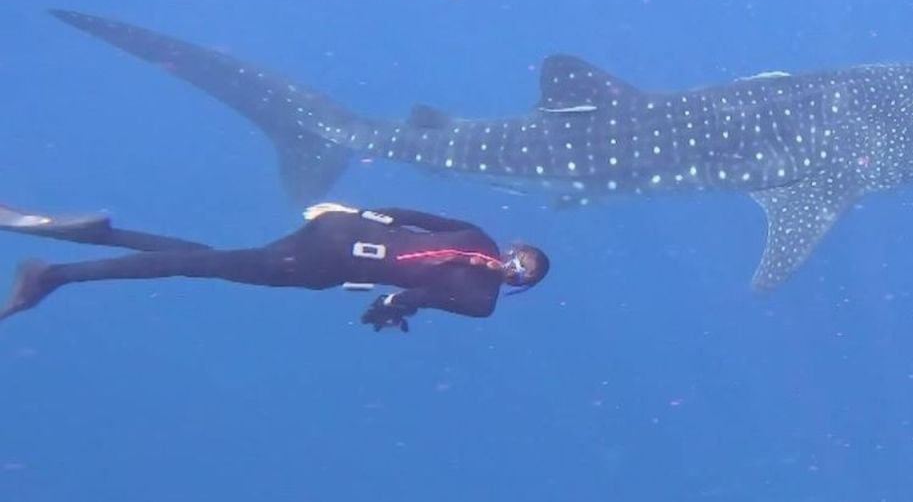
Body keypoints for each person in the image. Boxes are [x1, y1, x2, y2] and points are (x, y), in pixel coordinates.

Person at [0, 202, 549, 332]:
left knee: (214, 258)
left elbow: (410, 216)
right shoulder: (482, 304)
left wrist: (351, 211)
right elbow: (414, 297)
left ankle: (104, 234)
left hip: (337, 231)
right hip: (322, 261)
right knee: (199, 267)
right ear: (520, 284)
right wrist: (386, 311)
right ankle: (53, 275)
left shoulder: (483, 235)